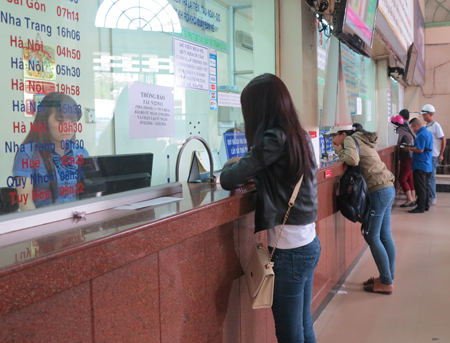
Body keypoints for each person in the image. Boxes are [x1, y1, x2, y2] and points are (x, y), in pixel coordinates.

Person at [220, 74, 320, 343]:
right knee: (303, 326)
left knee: (290, 335)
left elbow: (229, 178)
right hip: (308, 243)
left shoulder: (274, 138)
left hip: (290, 253)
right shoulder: (297, 135)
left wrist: (235, 162)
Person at [327, 124, 396, 295]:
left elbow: (352, 160)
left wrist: (338, 151)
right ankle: (387, 277)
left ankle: (387, 282)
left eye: (332, 137)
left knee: (371, 236)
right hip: (387, 187)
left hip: (378, 190)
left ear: (342, 134)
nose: (331, 140)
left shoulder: (350, 139)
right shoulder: (361, 139)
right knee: (384, 234)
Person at [13, 93, 88, 211]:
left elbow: (88, 195)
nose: (68, 127)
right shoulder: (28, 153)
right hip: (44, 223)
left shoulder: (81, 152)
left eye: (73, 121)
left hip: (77, 220)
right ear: (45, 122)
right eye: (60, 121)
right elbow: (25, 203)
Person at [402, 118, 433, 213]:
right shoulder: (427, 133)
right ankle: (426, 205)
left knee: (420, 187)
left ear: (416, 126)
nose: (412, 130)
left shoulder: (421, 135)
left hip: (420, 165)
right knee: (425, 186)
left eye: (412, 128)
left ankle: (420, 207)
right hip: (427, 164)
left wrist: (408, 149)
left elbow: (420, 150)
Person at [421, 104, 446, 206]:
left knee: (431, 177)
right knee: (426, 177)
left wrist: (441, 154)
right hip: (427, 156)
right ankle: (428, 196)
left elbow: (443, 139)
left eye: (425, 114)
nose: (424, 116)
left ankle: (433, 198)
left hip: (434, 156)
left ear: (430, 114)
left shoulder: (436, 125)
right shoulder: (425, 126)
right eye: (423, 115)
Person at [391, 115, 416, 207]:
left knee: (402, 178)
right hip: (411, 157)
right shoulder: (407, 129)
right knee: (409, 178)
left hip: (407, 157)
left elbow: (396, 141)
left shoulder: (400, 130)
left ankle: (409, 199)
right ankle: (413, 198)